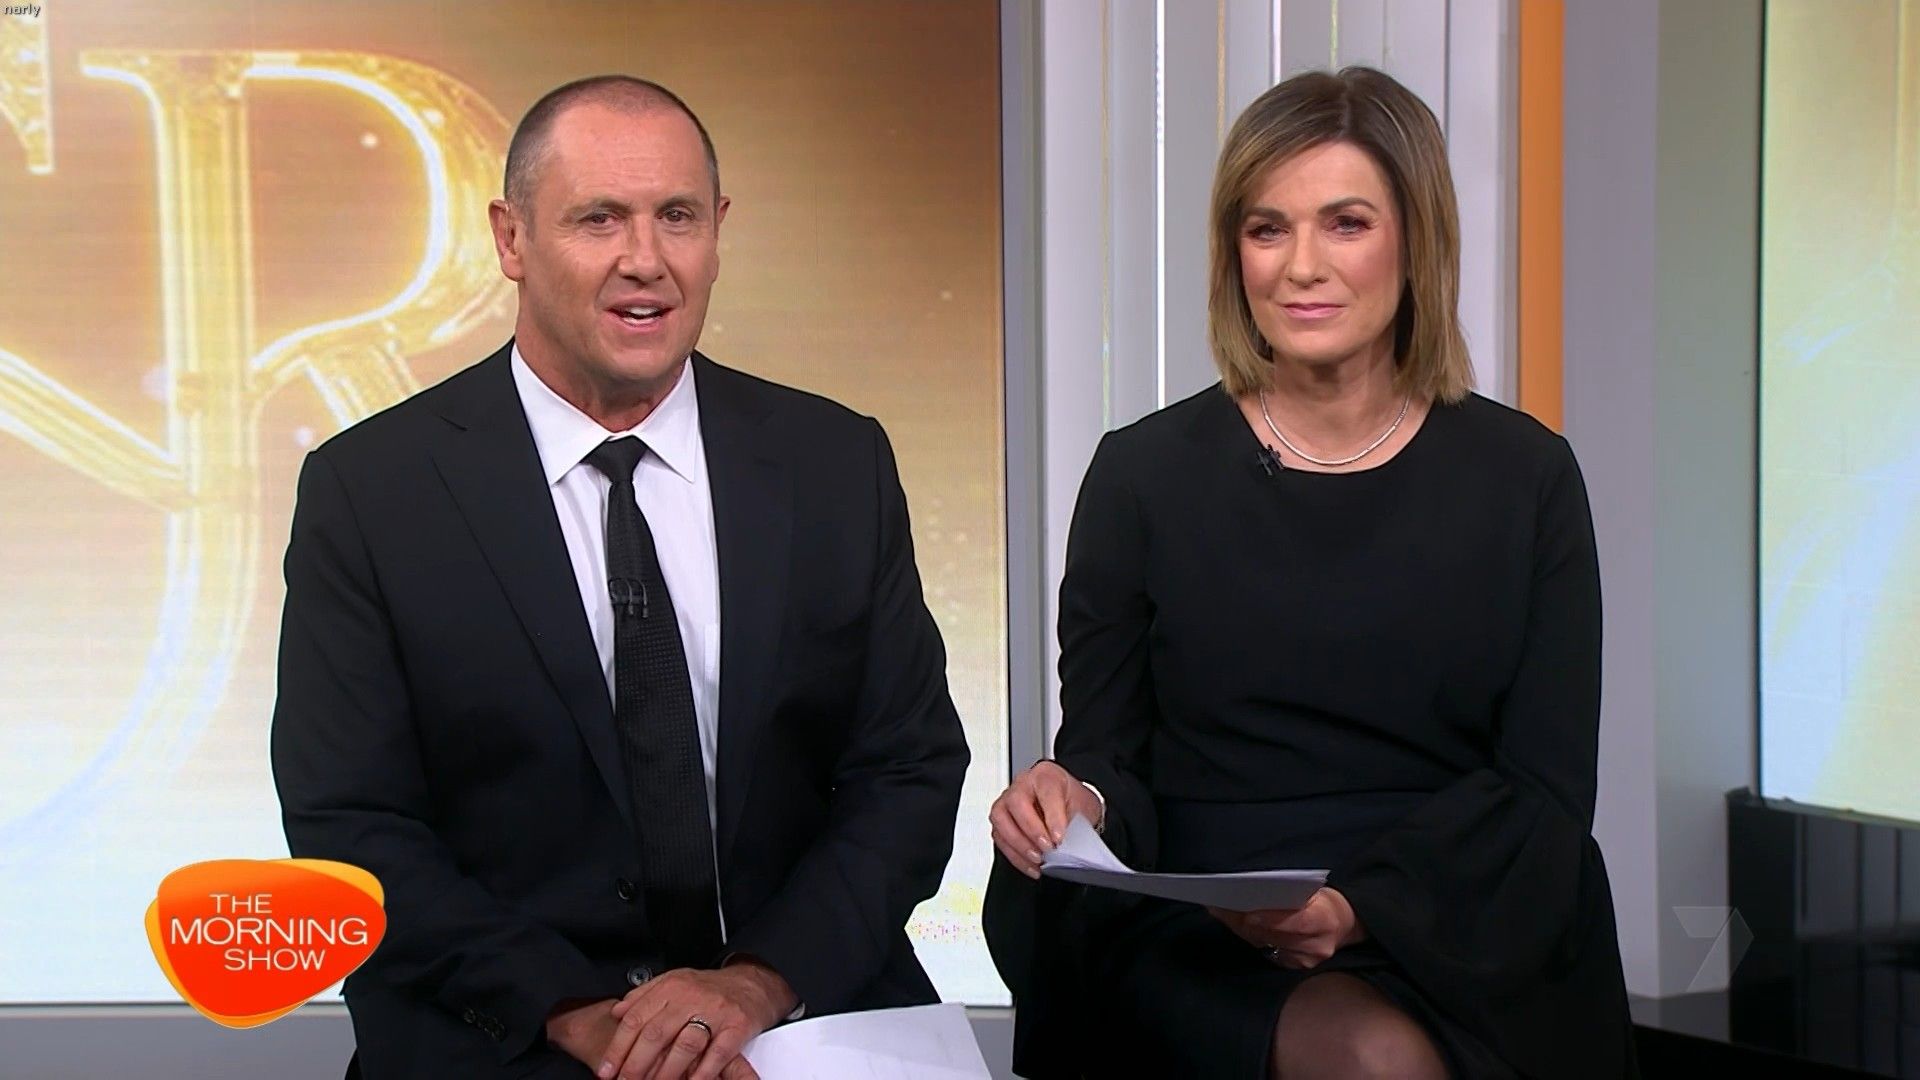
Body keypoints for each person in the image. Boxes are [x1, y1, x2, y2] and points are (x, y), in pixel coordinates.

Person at [271, 75, 968, 1080]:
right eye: (599, 218)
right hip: (511, 1032)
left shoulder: (833, 462)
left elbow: (906, 771)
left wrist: (757, 984)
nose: (646, 259)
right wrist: (578, 1014)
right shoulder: (372, 491)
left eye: (677, 217)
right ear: (511, 239)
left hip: (792, 1019)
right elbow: (352, 823)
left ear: (718, 231)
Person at [984, 66, 1637, 1079]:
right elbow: (1112, 756)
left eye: (1345, 224)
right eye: (1267, 229)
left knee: (1381, 1054)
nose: (1300, 267)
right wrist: (1073, 797)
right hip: (1201, 920)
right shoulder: (1141, 475)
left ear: (1416, 239)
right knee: (1361, 1056)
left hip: (1454, 917)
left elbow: (1544, 791)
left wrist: (1357, 907)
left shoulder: (1527, 477)